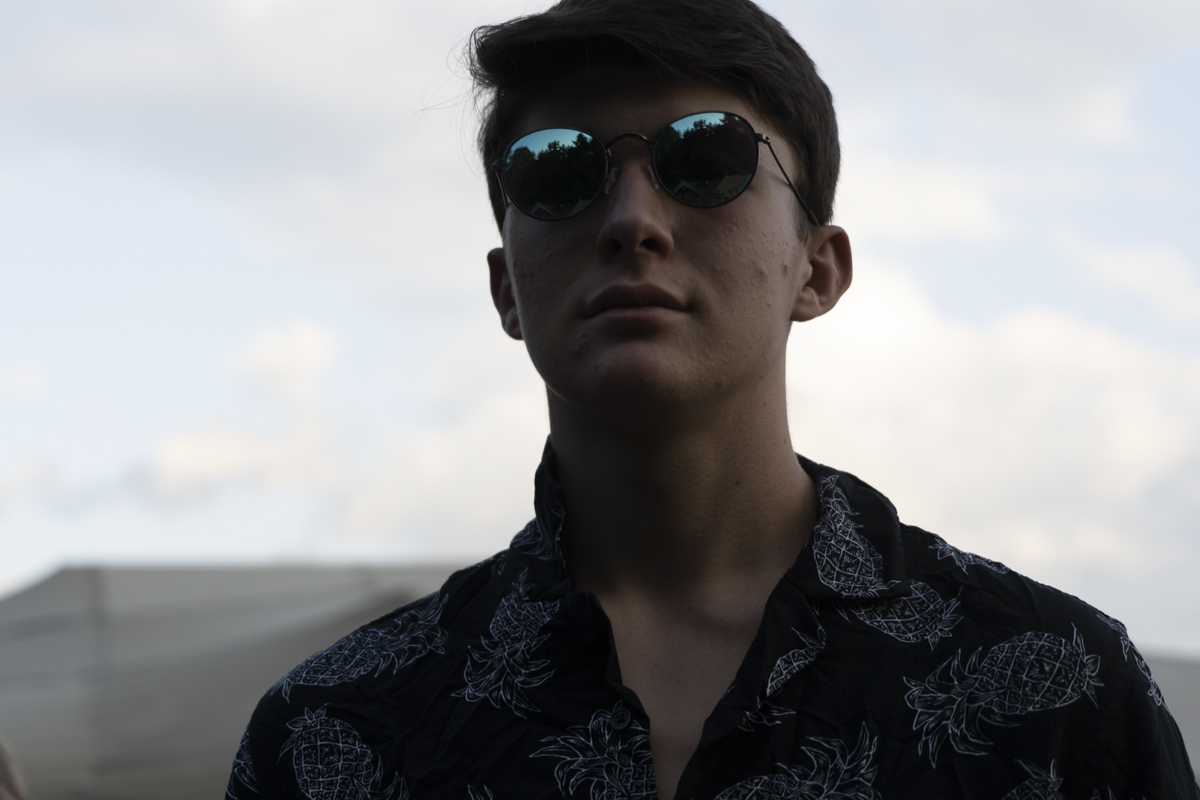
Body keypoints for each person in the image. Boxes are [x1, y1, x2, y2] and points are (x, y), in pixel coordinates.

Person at [227, 1, 1198, 797]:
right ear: (505, 289)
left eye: (704, 159)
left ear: (818, 267)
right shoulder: (331, 733)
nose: (633, 220)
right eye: (558, 170)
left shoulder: (1064, 693)